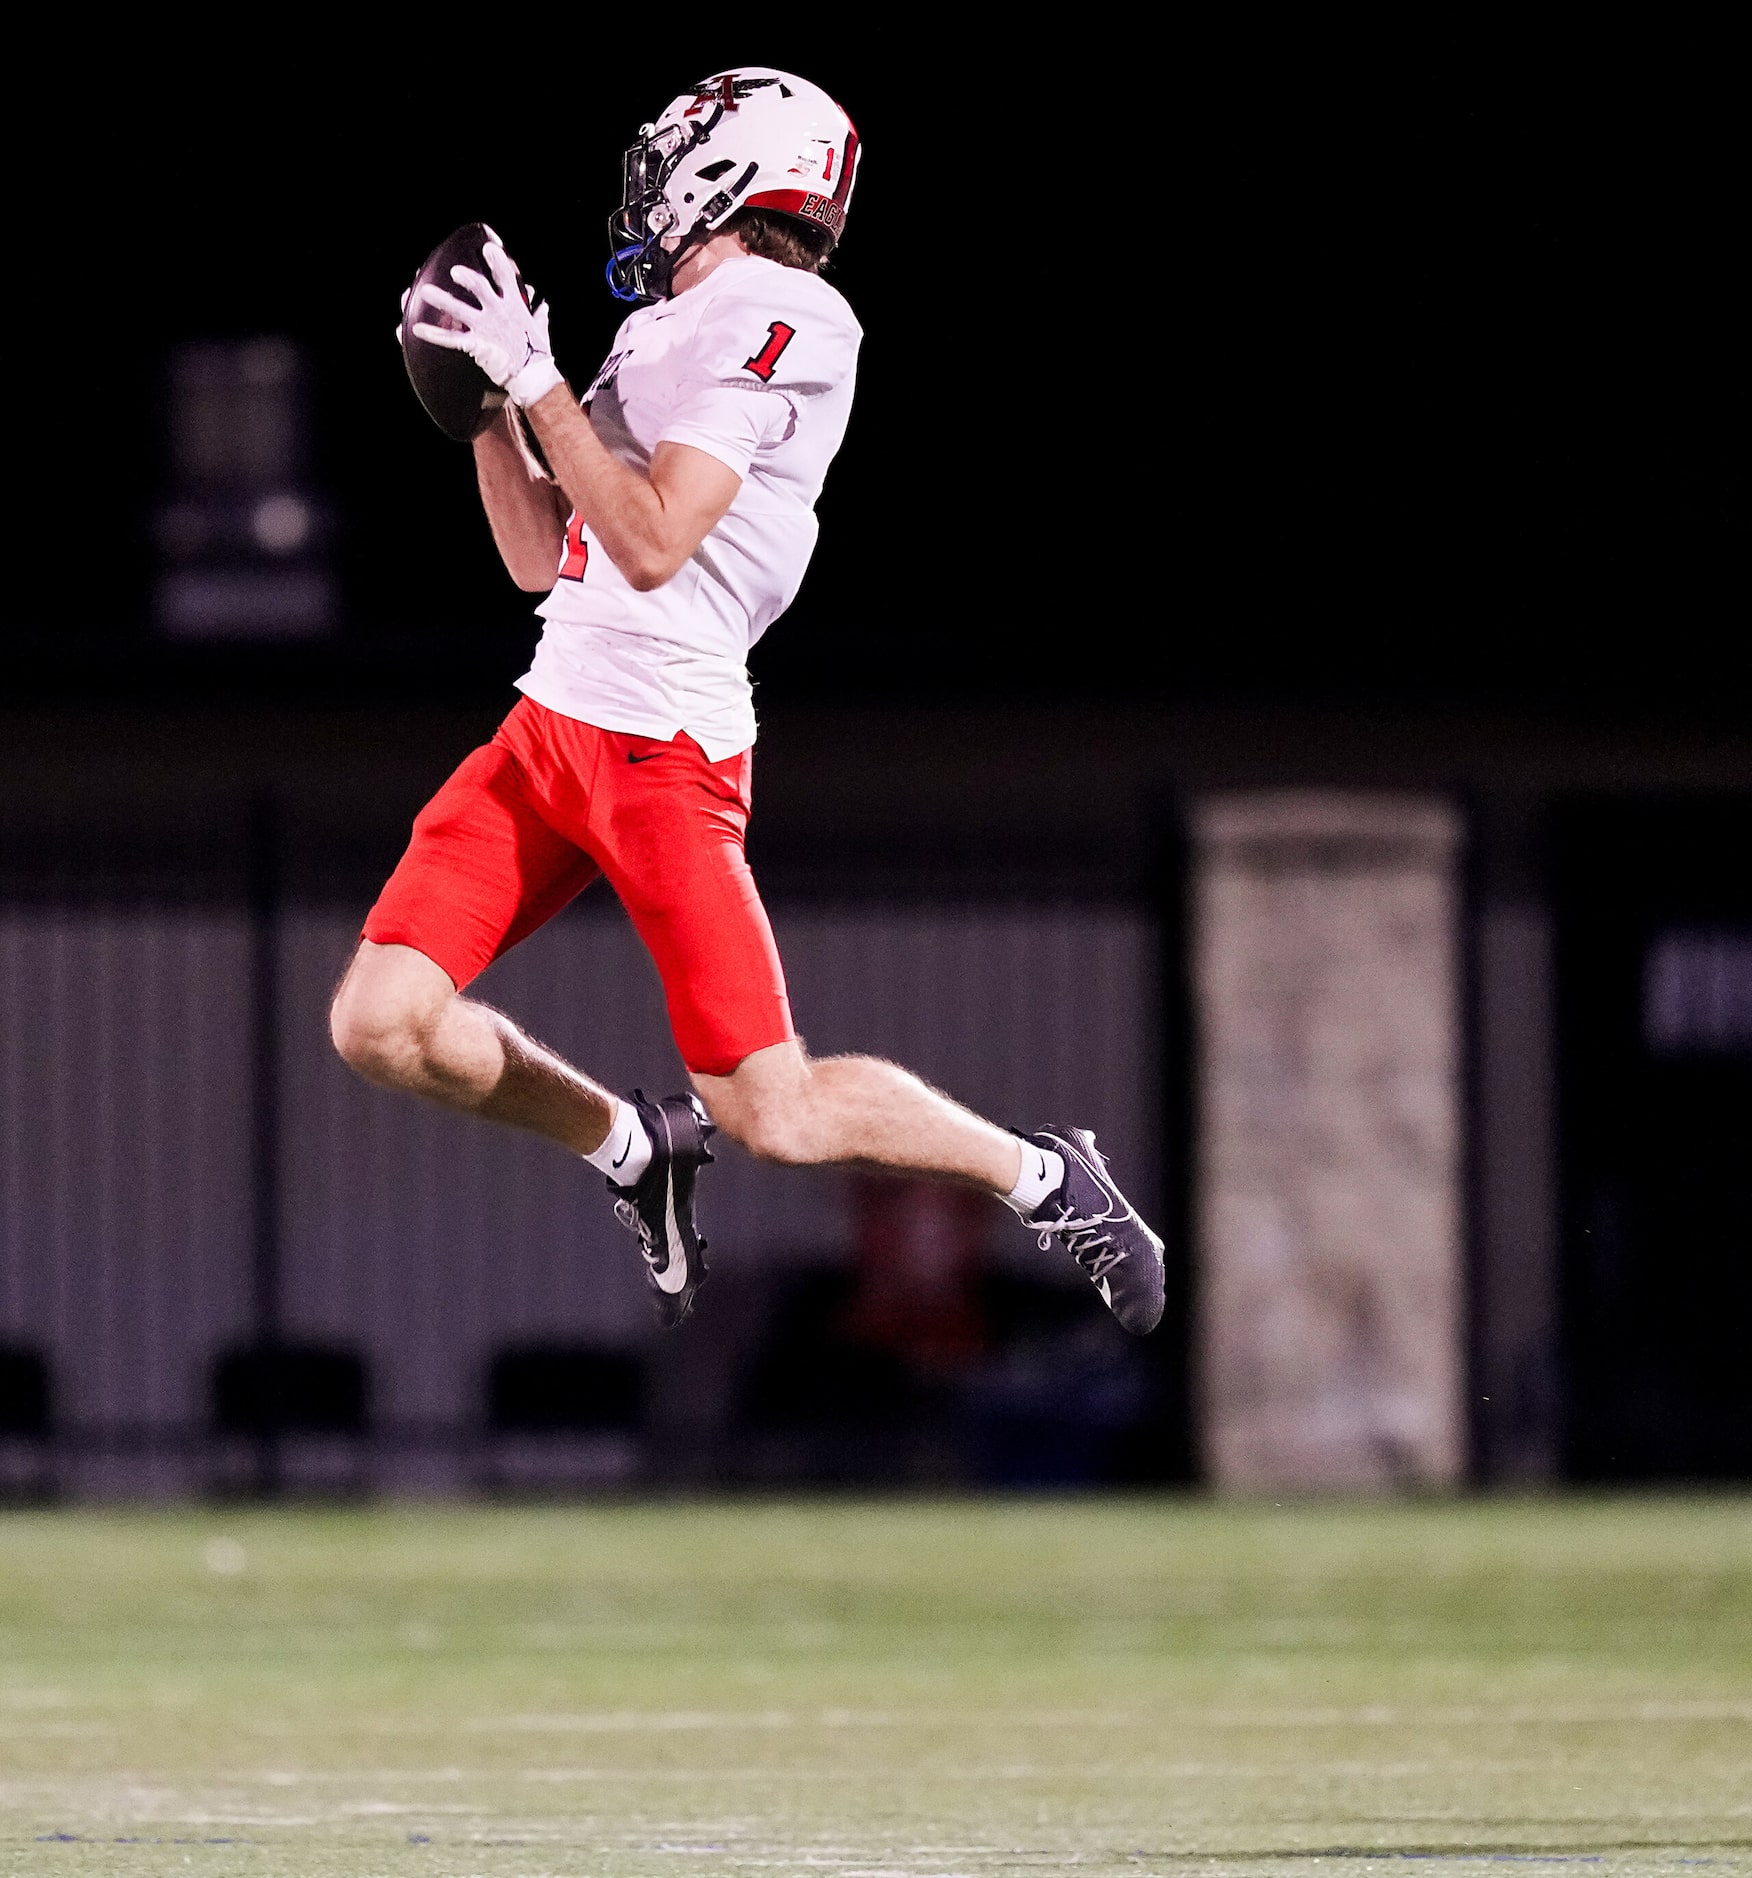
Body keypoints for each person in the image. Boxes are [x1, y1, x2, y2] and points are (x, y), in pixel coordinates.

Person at [330, 68, 1164, 1337]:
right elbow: (539, 554)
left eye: (666, 162)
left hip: (665, 750)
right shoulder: (669, 322)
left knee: (772, 1114)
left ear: (724, 172)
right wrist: (490, 412)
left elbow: (656, 541)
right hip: (552, 725)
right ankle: (628, 1149)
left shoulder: (786, 313)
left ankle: (1045, 1174)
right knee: (379, 1025)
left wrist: (539, 381)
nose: (644, 193)